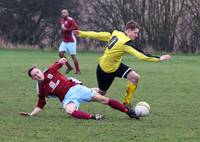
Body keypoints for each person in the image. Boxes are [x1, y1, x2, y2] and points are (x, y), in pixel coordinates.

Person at [73, 20, 171, 107]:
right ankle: (79, 93)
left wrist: (81, 33)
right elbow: (141, 55)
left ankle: (126, 103)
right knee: (101, 93)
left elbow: (98, 34)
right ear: (128, 30)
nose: (136, 36)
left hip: (116, 66)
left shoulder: (116, 33)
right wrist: (159, 58)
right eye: (135, 33)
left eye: (137, 33)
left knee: (135, 77)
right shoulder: (126, 43)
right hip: (105, 70)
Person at [19, 58, 139, 120]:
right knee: (69, 110)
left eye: (37, 72)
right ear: (33, 79)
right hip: (67, 98)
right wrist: (30, 115)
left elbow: (59, 63)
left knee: (103, 99)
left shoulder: (50, 71)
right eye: (34, 75)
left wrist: (62, 61)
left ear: (40, 70)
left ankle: (128, 111)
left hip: (75, 88)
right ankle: (93, 117)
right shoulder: (40, 89)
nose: (37, 75)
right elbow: (40, 104)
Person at [58, 9, 80, 74]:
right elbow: (63, 27)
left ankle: (78, 71)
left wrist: (67, 29)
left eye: (64, 13)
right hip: (65, 41)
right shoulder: (62, 20)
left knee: (73, 56)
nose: (63, 14)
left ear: (68, 13)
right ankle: (69, 67)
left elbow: (76, 27)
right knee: (60, 54)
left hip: (71, 41)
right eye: (62, 13)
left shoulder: (70, 20)